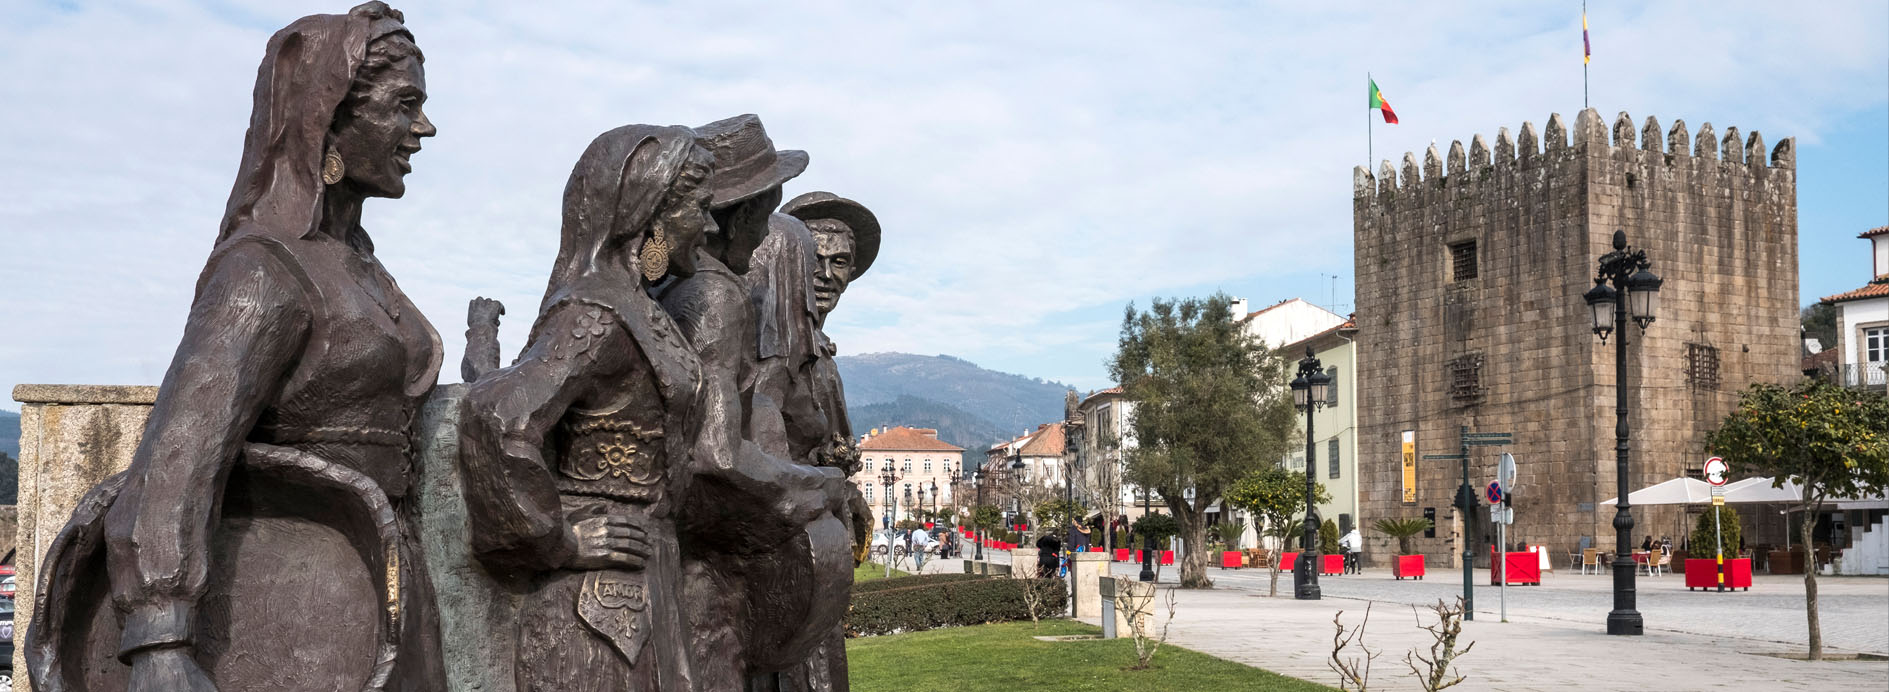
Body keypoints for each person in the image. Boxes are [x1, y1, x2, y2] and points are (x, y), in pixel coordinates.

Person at [28, 5, 447, 690]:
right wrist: (159, 640)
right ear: (328, 117)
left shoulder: (357, 265)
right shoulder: (263, 271)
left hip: (382, 577)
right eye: (405, 106)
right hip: (299, 596)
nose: (422, 129)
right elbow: (177, 457)